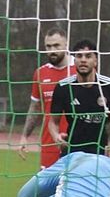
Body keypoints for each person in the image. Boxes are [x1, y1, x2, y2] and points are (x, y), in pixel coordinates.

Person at [48, 39, 110, 157]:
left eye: (88, 56)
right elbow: (53, 121)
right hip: (72, 151)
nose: (83, 60)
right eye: (79, 56)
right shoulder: (63, 87)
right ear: (74, 61)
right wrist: (56, 136)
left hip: (102, 151)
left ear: (95, 61)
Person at [17, 27, 74, 168]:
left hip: (77, 144)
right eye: (48, 46)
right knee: (47, 189)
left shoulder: (80, 69)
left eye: (56, 45)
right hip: (49, 145)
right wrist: (25, 136)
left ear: (66, 44)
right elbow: (35, 107)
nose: (52, 50)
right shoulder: (40, 73)